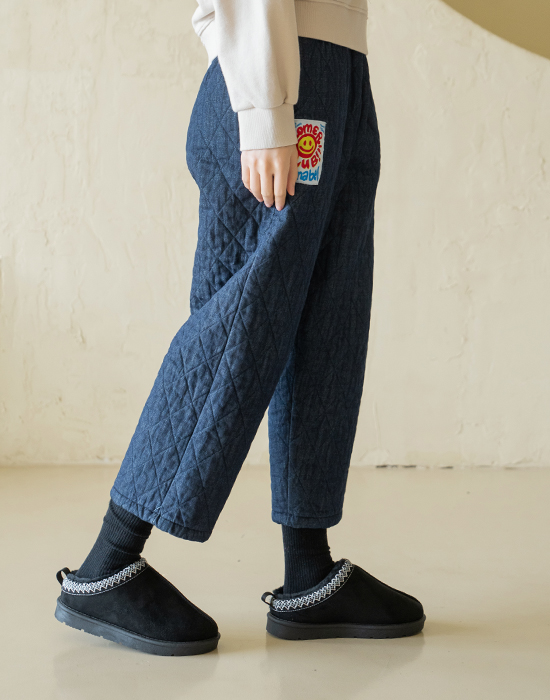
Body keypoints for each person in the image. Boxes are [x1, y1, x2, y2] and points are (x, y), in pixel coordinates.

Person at [54, 0, 425, 656]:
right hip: (286, 81)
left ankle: (309, 572)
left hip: (336, 76)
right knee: (241, 328)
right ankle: (107, 562)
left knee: (325, 324)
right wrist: (264, 110)